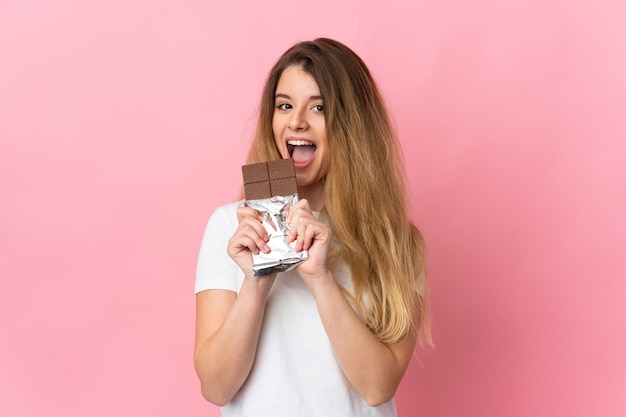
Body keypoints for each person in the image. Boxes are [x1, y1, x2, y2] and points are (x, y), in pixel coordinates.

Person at [194, 37, 431, 417]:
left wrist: (320, 277)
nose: (296, 121)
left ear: (352, 124)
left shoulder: (396, 242)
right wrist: (257, 278)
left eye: (318, 107)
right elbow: (216, 386)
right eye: (284, 105)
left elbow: (377, 387)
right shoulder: (230, 228)